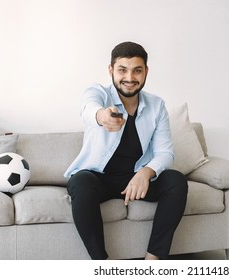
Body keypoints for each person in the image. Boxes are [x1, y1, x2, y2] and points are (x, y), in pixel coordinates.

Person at [64, 41, 188, 260]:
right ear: (111, 70)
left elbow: (165, 153)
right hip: (97, 178)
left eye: (137, 70)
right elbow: (88, 108)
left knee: (176, 181)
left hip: (134, 181)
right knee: (80, 182)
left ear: (146, 72)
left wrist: (146, 172)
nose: (130, 78)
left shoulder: (157, 105)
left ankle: (153, 260)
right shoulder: (98, 92)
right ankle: (103, 265)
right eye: (122, 70)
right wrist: (102, 116)